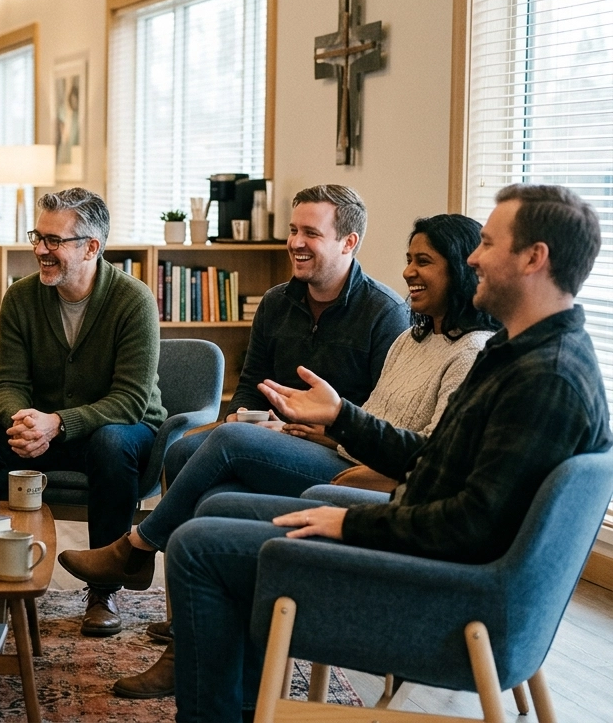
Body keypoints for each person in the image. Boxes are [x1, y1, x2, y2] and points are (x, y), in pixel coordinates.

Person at [167, 184, 611, 722]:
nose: (473, 257)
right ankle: (241, 707)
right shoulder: (518, 353)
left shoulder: (547, 380)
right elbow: (432, 457)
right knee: (215, 510)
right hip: (421, 550)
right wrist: (341, 416)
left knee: (197, 546)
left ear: (534, 258)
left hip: (439, 598)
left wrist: (351, 525)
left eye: (488, 243)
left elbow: (472, 525)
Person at [57, 213, 500, 698]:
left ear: (461, 268)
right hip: (338, 455)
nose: (410, 271)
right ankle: (190, 639)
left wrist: (337, 425)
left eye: (425, 261)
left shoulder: (468, 350)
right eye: (408, 259)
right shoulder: (413, 339)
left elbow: (432, 457)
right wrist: (319, 430)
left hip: (366, 482)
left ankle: (136, 548)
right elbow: (372, 420)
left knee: (230, 444)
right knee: (209, 483)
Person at [0, 187, 165, 636]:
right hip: (44, 432)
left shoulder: (134, 300)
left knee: (112, 442)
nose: (39, 250)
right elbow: (8, 384)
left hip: (123, 433)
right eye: (38, 236)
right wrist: (24, 420)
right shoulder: (20, 298)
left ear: (92, 247)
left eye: (54, 241)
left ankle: (103, 588)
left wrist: (57, 423)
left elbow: (129, 400)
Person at [159, 185, 410, 487]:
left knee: (226, 449)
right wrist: (241, 415)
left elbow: (385, 416)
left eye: (311, 233)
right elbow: (252, 382)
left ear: (348, 242)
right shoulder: (275, 302)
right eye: (293, 230)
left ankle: (145, 537)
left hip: (336, 449)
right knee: (181, 451)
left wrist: (328, 431)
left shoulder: (385, 313)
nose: (295, 243)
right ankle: (189, 534)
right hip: (268, 433)